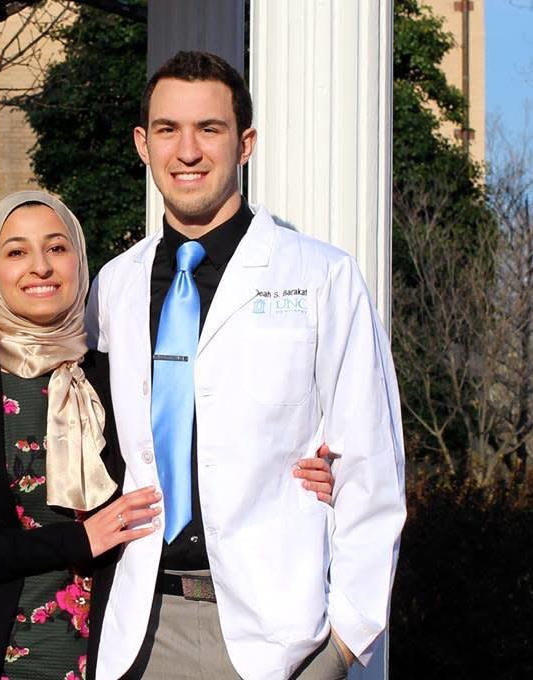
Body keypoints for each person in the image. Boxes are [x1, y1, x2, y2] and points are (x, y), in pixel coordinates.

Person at [0, 189, 339, 679]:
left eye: (57, 248)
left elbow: (202, 447)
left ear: (80, 263)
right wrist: (76, 542)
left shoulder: (120, 375)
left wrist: (305, 470)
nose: (40, 266)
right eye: (16, 251)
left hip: (109, 658)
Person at [85, 51, 407, 680]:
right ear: (142, 145)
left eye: (210, 129)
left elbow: (373, 467)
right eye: (167, 130)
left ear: (245, 143)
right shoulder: (113, 287)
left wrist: (343, 646)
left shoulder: (321, 276)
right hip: (137, 629)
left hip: (276, 638)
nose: (188, 151)